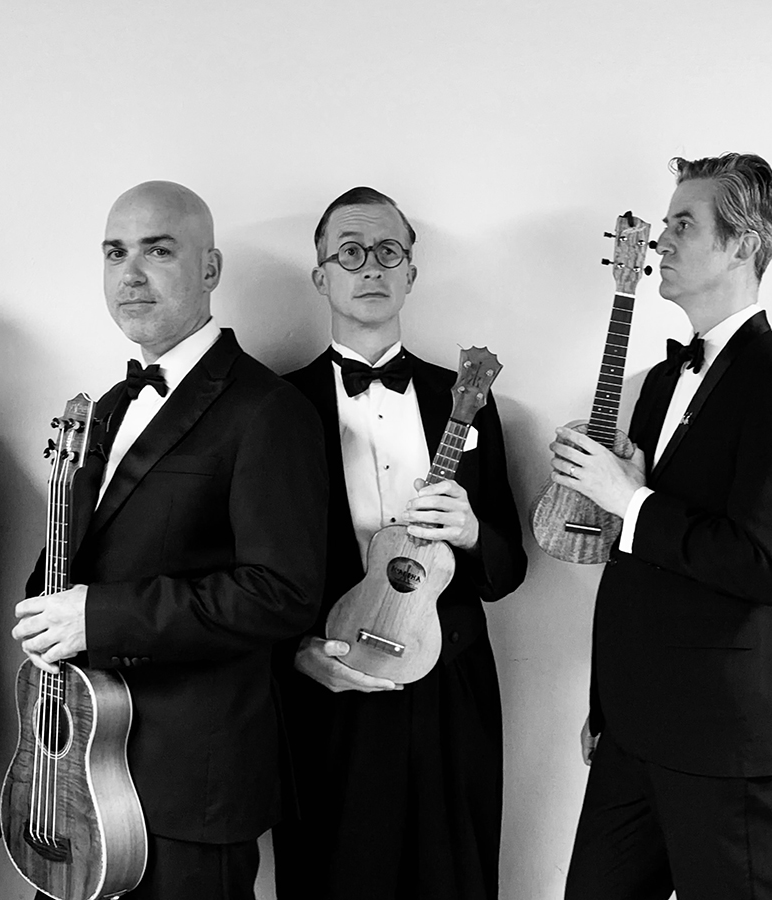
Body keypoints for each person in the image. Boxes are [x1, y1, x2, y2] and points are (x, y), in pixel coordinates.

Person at [10, 181, 328, 900]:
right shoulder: (102, 408)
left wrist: (99, 616)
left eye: (158, 251)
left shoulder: (268, 411)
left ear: (210, 270)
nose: (131, 273)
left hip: (194, 791)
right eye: (115, 252)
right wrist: (44, 613)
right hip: (74, 777)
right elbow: (72, 568)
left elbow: (283, 595)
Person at [550, 152, 772, 900]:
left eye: (683, 223)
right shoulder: (662, 380)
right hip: (632, 730)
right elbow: (635, 559)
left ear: (743, 243)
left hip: (722, 737)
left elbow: (768, 563)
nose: (662, 240)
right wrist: (606, 705)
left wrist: (631, 501)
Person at [272, 186, 528, 900]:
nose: (372, 267)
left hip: (454, 692)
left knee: (456, 880)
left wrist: (474, 532)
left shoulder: (465, 396)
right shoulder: (274, 407)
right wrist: (296, 654)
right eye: (350, 252)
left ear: (412, 272)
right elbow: (251, 567)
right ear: (321, 275)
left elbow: (507, 570)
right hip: (331, 686)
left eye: (390, 251)